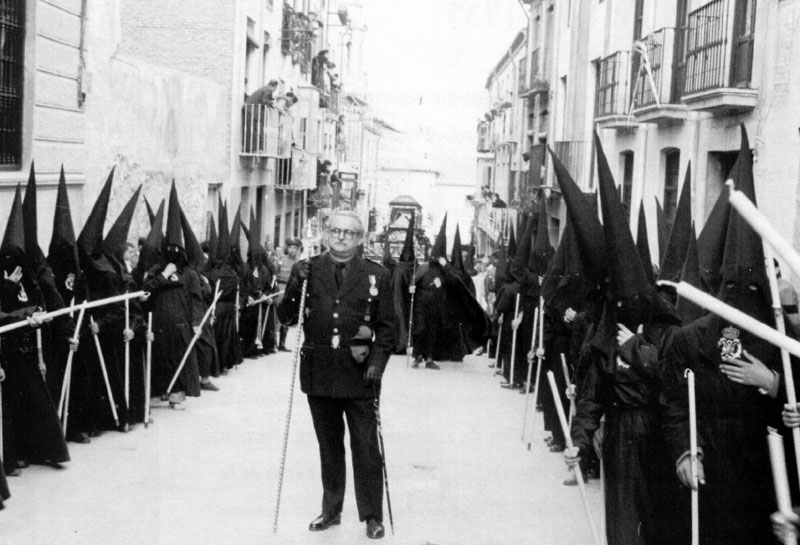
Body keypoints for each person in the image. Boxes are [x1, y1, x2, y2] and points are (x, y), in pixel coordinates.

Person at [278, 210, 395, 540]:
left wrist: (378, 364)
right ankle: (331, 509)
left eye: (349, 233)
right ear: (326, 234)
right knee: (329, 446)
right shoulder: (309, 270)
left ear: (359, 239)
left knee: (366, 447)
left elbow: (387, 329)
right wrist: (295, 284)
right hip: (320, 374)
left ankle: (371, 515)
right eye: (335, 231)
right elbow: (286, 317)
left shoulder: (377, 275)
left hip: (360, 376)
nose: (341, 237)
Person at [276, 237, 301, 351]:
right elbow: (274, 276)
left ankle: (282, 343)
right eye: (290, 247)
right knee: (277, 315)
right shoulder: (281, 260)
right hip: (281, 289)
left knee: (287, 316)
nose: (292, 250)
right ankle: (272, 342)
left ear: (297, 250)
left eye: (294, 248)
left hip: (291, 292)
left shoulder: (299, 263)